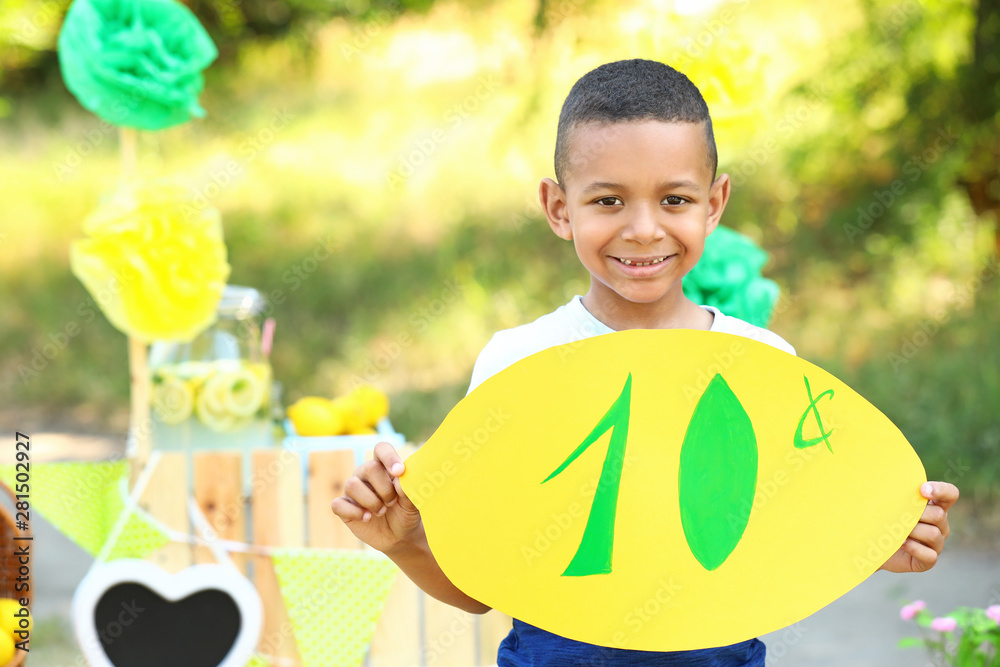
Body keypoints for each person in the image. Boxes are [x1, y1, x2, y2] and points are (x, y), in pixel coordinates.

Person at [331, 59, 960, 666]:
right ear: (558, 208)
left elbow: (777, 555)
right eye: (607, 201)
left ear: (714, 204)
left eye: (675, 200)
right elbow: (483, 588)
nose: (642, 229)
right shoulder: (519, 364)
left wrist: (874, 543)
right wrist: (408, 543)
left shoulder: (762, 366)